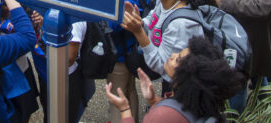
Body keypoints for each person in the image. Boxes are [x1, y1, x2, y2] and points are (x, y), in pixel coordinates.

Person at [105, 36, 245, 122]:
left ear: (189, 77)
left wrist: (125, 110)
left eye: (177, 60)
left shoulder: (163, 116)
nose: (172, 55)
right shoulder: (201, 101)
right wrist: (155, 101)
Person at [121, 0, 207, 82]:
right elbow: (152, 20)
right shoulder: (163, 0)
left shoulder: (182, 25)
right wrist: (140, 22)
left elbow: (163, 66)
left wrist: (138, 32)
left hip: (177, 82)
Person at [105, 0, 152, 123]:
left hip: (121, 54)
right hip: (132, 50)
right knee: (130, 90)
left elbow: (112, 26)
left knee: (118, 99)